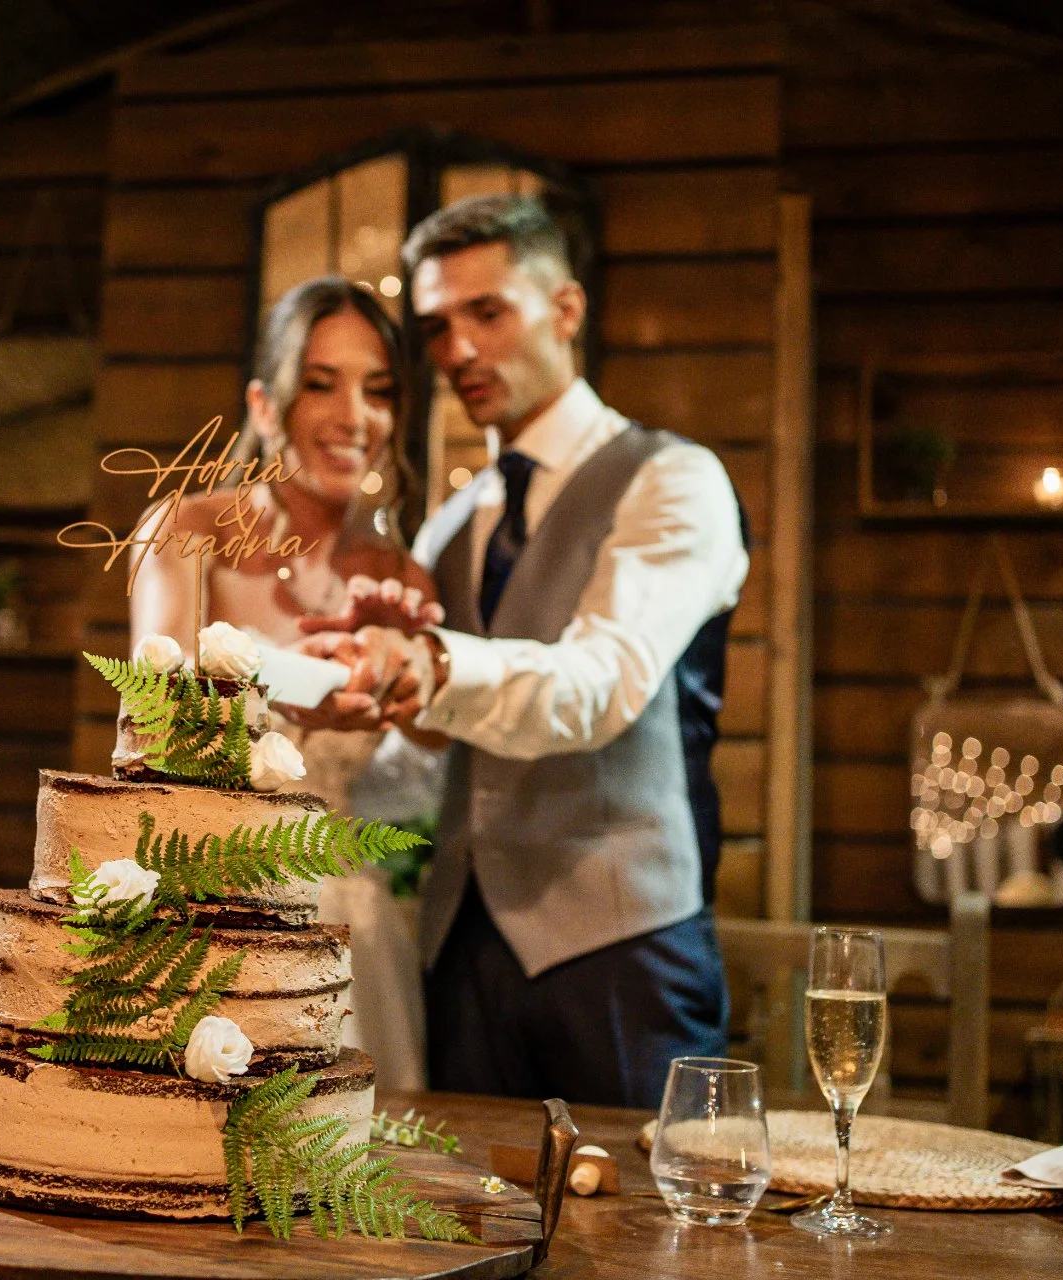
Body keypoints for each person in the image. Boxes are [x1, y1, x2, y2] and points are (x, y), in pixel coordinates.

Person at [301, 195, 749, 1107]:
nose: (458, 350)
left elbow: (598, 682)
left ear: (567, 310)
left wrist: (430, 663)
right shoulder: (455, 528)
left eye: (488, 313)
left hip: (624, 951)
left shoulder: (673, 480)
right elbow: (423, 772)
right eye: (436, 327)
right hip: (458, 955)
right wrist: (351, 703)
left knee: (643, 1239)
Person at [128, 276, 438, 1090]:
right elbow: (158, 706)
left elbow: (434, 754)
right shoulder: (185, 530)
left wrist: (407, 664)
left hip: (348, 928)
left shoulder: (402, 578)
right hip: (203, 911)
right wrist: (308, 679)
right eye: (321, 382)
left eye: (378, 390)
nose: (355, 416)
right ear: (265, 404)